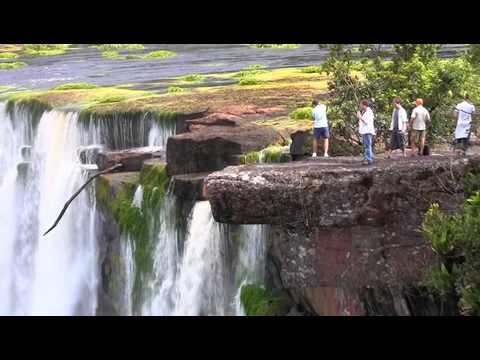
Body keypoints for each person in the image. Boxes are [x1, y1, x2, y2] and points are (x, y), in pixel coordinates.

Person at [356, 100, 376, 165]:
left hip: (367, 131)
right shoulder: (365, 111)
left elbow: (366, 121)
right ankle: (369, 157)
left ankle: (369, 159)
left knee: (367, 145)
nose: (360, 106)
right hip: (365, 131)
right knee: (367, 145)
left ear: (364, 105)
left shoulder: (369, 112)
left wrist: (359, 117)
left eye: (361, 105)